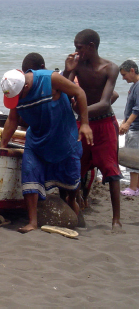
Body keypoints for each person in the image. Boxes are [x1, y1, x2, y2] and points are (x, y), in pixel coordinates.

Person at [0, 65, 93, 233]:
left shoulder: (50, 79)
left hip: (64, 137)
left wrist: (85, 124)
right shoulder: (15, 90)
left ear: (26, 87)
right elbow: (13, 119)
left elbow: (80, 93)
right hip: (36, 140)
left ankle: (72, 201)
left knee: (71, 180)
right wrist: (3, 144)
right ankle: (32, 221)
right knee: (30, 172)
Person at [62, 29, 123, 231]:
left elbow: (106, 102)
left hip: (104, 123)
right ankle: (75, 207)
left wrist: (82, 112)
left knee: (111, 169)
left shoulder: (110, 68)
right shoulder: (78, 65)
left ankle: (116, 220)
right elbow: (63, 89)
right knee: (76, 166)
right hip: (84, 123)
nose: (76, 52)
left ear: (91, 46)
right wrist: (66, 69)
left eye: (79, 47)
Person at [118, 60, 139, 196]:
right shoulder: (134, 86)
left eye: (124, 75)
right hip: (134, 126)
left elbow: (137, 109)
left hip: (136, 128)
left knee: (133, 157)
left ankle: (132, 188)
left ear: (132, 70)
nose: (123, 78)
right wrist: (124, 121)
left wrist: (127, 124)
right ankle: (136, 187)